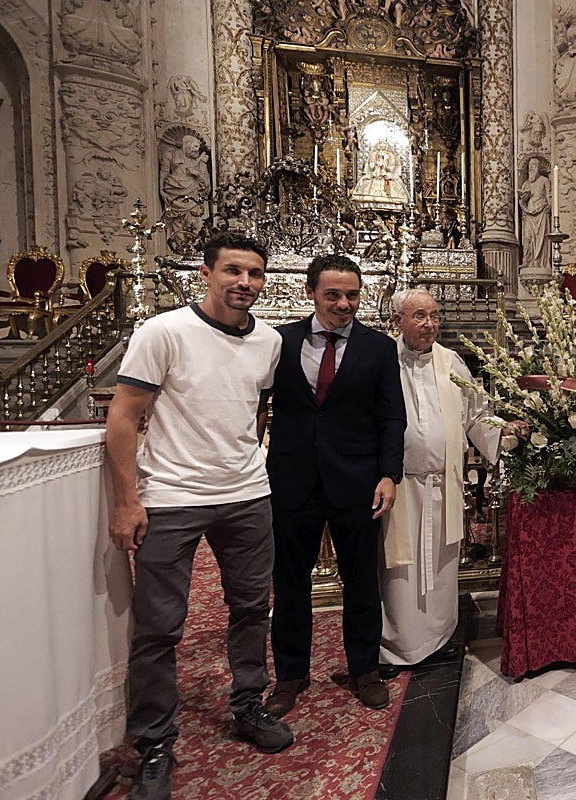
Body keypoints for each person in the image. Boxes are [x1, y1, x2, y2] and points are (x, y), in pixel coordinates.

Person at [105, 233, 291, 800]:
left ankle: (248, 704)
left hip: (247, 495)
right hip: (172, 496)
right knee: (160, 626)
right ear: (206, 274)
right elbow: (123, 416)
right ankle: (155, 741)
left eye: (255, 274)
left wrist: (243, 460)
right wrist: (127, 500)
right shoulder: (163, 331)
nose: (244, 283)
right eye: (233, 271)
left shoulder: (269, 341)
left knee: (252, 609)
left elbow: (256, 409)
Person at [264, 255, 407, 718]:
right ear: (311, 293)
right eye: (333, 294)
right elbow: (257, 405)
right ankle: (290, 675)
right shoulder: (279, 341)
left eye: (352, 294)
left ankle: (365, 669)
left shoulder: (378, 348)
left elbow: (391, 416)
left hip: (358, 482)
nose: (344, 304)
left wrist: (389, 474)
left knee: (361, 579)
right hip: (292, 479)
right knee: (289, 583)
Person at [377, 288, 504, 669]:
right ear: (397, 321)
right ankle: (397, 645)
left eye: (434, 316)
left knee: (442, 564)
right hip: (399, 485)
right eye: (419, 316)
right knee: (399, 569)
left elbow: (476, 414)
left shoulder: (451, 363)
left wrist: (505, 436)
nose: (429, 324)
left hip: (443, 482)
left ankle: (440, 637)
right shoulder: (383, 361)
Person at [518, 157, 552, 269]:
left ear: (538, 168)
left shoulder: (544, 180)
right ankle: (527, 259)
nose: (531, 168)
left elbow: (549, 196)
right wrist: (523, 199)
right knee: (527, 237)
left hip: (541, 212)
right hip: (528, 213)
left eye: (534, 165)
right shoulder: (526, 184)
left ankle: (540, 261)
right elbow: (522, 202)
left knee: (541, 237)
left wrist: (549, 206)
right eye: (529, 166)